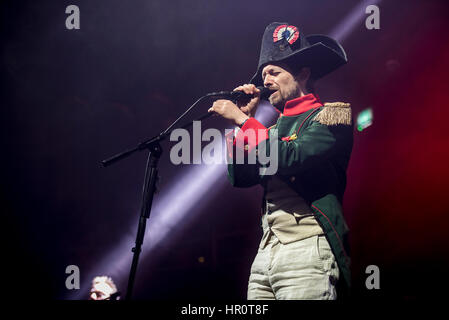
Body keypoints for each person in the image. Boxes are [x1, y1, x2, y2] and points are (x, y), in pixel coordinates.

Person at [208, 22, 353, 300]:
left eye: (274, 72)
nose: (266, 81)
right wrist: (243, 126)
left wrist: (244, 121)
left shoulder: (330, 117)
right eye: (264, 75)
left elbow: (289, 157)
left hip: (308, 249)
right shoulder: (270, 131)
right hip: (266, 253)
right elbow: (241, 178)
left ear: (303, 73)